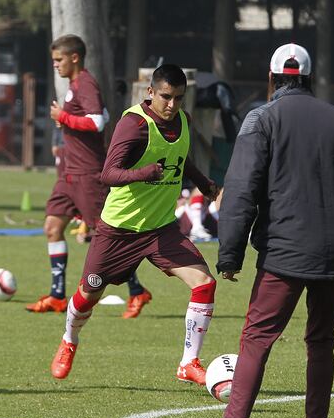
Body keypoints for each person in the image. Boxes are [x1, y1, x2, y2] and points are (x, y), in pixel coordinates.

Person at [185, 44, 334, 418]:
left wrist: (230, 254)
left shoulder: (262, 118)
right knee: (321, 340)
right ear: (309, 78)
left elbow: (241, 191)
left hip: (285, 251)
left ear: (272, 79)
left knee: (257, 337)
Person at [49, 64, 220, 383]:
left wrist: (204, 184)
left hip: (161, 229)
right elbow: (108, 174)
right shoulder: (133, 124)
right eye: (166, 97)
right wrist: (144, 173)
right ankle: (69, 339)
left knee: (204, 284)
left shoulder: (183, 120)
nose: (172, 105)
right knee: (88, 294)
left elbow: (180, 159)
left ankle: (188, 362)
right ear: (150, 92)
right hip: (119, 230)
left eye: (179, 98)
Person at [26, 34, 152, 319]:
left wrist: (64, 118)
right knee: (52, 227)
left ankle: (137, 290)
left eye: (59, 59)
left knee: (106, 236)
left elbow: (96, 122)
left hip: (88, 174)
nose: (55, 64)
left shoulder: (85, 83)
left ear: (74, 58)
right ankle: (57, 295)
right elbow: (104, 114)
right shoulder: (75, 86)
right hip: (69, 174)